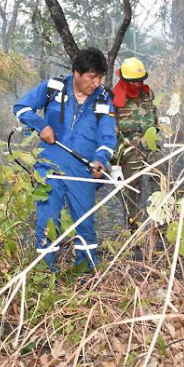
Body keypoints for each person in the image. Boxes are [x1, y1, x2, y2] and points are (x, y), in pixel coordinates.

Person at [13, 47, 117, 272]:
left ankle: (86, 277)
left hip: (82, 173)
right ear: (76, 73)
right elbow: (21, 108)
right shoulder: (53, 88)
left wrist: (101, 159)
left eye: (100, 77)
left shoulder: (103, 99)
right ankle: (44, 277)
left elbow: (108, 135)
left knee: (85, 226)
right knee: (47, 224)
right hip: (48, 170)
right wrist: (41, 126)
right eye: (92, 76)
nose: (97, 82)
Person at [112, 57, 159, 231]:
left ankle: (160, 223)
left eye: (140, 81)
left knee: (160, 181)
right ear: (124, 80)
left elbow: (154, 118)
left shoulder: (147, 94)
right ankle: (133, 227)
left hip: (151, 147)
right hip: (128, 151)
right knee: (131, 189)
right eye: (134, 82)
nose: (138, 85)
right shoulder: (114, 99)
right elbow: (109, 131)